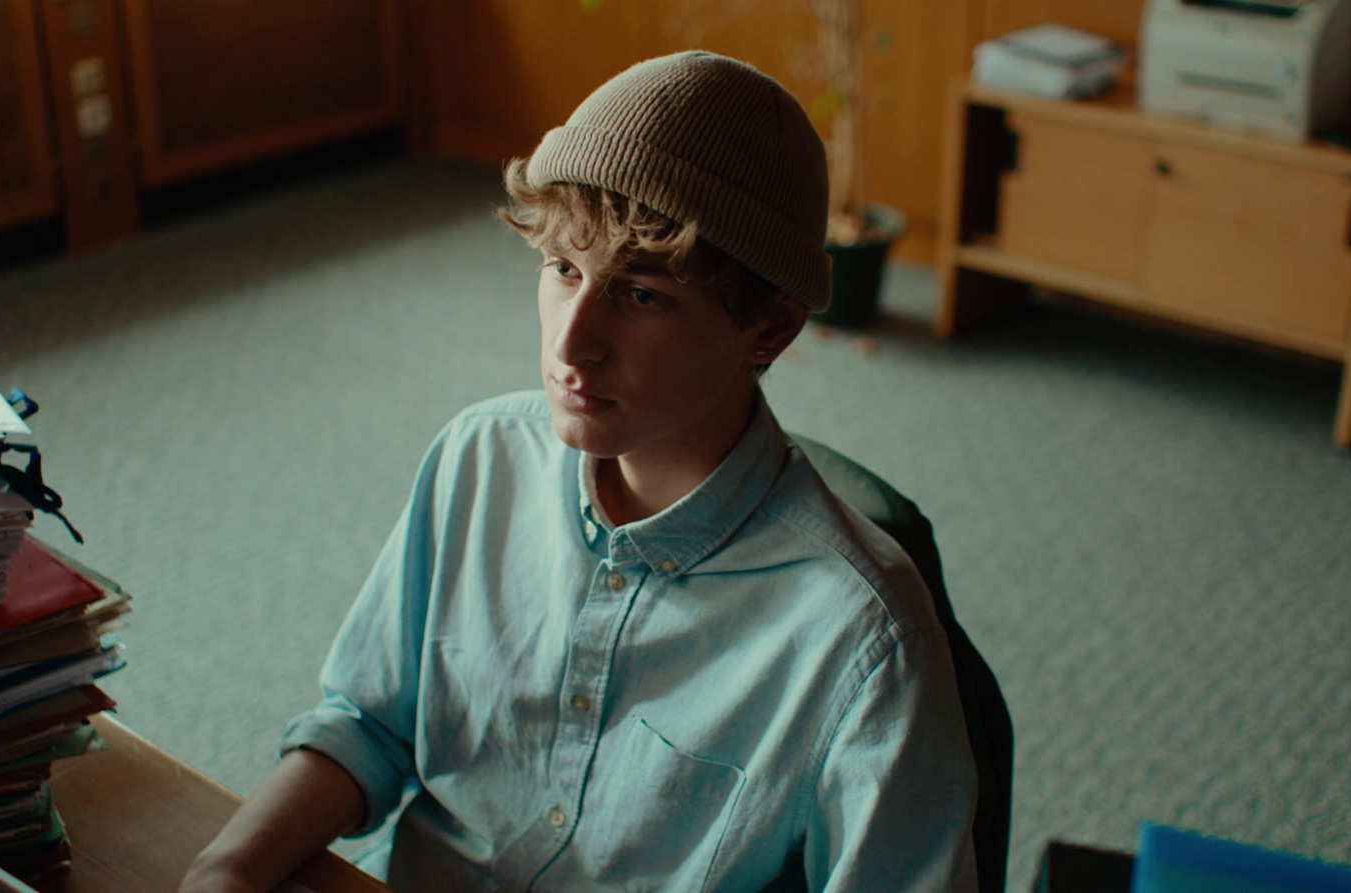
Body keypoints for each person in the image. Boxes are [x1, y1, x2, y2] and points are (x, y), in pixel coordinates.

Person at [179, 50, 977, 893]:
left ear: (768, 329)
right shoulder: (477, 459)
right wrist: (226, 867)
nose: (569, 345)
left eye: (641, 295)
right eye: (563, 268)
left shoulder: (864, 639)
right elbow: (371, 724)